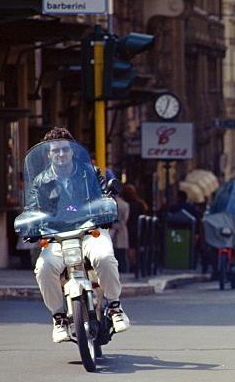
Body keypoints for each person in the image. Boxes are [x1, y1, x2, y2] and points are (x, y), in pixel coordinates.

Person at [29, 127, 129, 342]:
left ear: (73, 150)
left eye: (65, 149)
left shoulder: (91, 173)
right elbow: (33, 209)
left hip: (90, 230)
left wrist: (107, 210)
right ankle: (59, 317)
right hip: (57, 236)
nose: (61, 154)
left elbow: (104, 196)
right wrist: (30, 226)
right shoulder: (41, 180)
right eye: (55, 151)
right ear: (48, 153)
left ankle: (114, 306)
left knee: (104, 257)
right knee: (44, 268)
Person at [120, 183, 148, 270]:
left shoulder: (124, 203)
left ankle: (130, 264)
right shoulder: (139, 203)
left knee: (129, 247)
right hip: (136, 227)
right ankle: (134, 264)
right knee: (134, 247)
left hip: (127, 227)